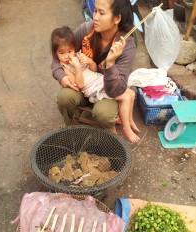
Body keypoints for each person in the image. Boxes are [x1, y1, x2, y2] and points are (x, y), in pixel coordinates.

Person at [51, 0, 140, 143]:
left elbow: (117, 90)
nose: (95, 17)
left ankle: (107, 136)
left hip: (107, 91)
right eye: (95, 11)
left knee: (104, 114)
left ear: (117, 18)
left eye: (102, 13)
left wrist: (110, 64)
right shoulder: (86, 30)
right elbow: (58, 53)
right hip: (82, 87)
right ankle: (72, 132)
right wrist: (61, 76)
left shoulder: (127, 46)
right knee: (64, 97)